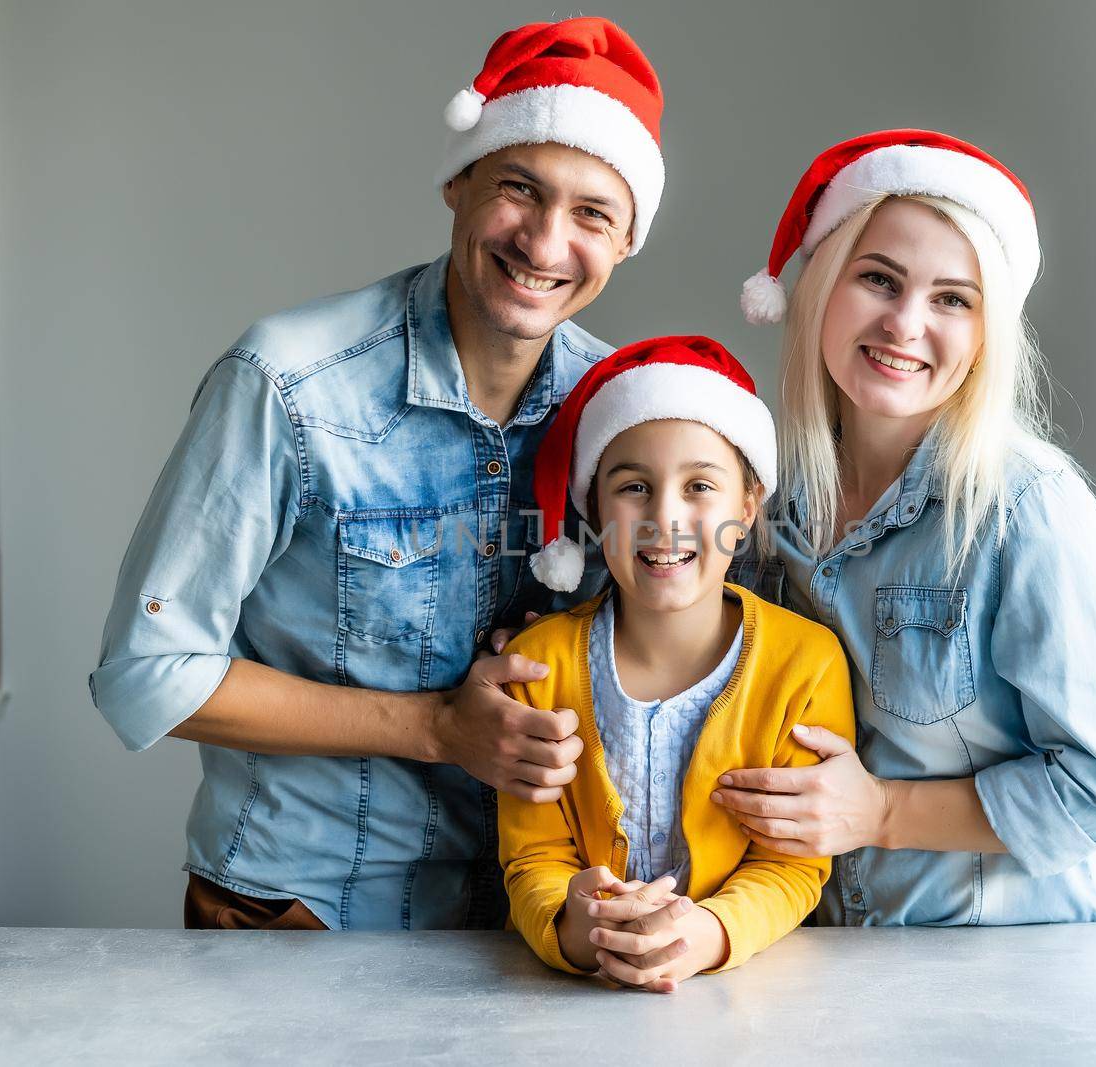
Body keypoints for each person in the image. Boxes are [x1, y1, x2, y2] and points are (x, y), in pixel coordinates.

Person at [88, 17, 668, 930]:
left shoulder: (631, 421)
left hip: (542, 929)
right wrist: (437, 726)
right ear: (457, 181)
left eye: (594, 212)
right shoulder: (286, 383)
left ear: (629, 239)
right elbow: (148, 673)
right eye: (520, 188)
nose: (547, 243)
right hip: (294, 918)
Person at [716, 130, 1096, 924]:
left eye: (953, 297)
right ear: (819, 289)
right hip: (825, 976)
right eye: (879, 279)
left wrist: (880, 810)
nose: (905, 323)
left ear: (988, 332)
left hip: (1008, 993)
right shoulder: (771, 504)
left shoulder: (1031, 511)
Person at [497, 336, 856, 991]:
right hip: (565, 1007)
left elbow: (794, 865)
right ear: (597, 511)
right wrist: (577, 927)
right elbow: (532, 857)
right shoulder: (536, 666)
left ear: (747, 506)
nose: (664, 518)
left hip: (742, 1000)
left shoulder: (805, 664)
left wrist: (711, 933)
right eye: (634, 486)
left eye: (699, 485)